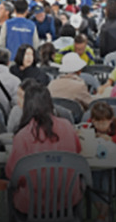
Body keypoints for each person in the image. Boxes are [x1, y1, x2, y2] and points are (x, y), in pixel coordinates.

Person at [5, 81, 83, 215]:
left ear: (27, 105)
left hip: (32, 205)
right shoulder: (67, 126)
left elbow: (13, 174)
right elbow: (77, 153)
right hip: (67, 201)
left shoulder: (23, 136)